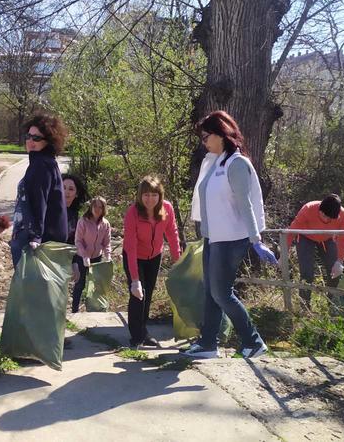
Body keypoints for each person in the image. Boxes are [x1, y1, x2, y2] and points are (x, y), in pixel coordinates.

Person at [184, 110, 276, 359]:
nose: (203, 142)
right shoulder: (214, 163)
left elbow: (245, 204)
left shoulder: (236, 164)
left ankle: (253, 342)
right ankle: (207, 343)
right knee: (210, 292)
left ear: (220, 135)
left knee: (221, 293)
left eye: (206, 137)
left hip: (231, 239)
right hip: (213, 238)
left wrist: (256, 240)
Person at [122, 176, 181, 348]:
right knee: (138, 294)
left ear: (160, 195)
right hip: (134, 256)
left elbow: (172, 235)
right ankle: (136, 336)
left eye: (154, 195)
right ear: (140, 196)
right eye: (146, 195)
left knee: (148, 296)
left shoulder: (167, 208)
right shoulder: (133, 212)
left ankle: (144, 331)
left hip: (154, 256)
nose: (150, 199)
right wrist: (134, 280)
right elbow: (130, 246)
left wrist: (178, 263)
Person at [9, 114, 69, 267]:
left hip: (34, 241)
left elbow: (38, 201)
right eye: (28, 136)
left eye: (36, 138)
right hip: (44, 238)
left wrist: (35, 238)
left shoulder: (40, 165)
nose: (30, 141)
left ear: (48, 142)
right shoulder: (48, 162)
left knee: (29, 289)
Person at [287, 194, 344, 308]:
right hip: (306, 237)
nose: (326, 220)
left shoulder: (343, 215)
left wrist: (340, 260)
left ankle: (332, 304)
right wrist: (284, 253)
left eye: (330, 218)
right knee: (307, 274)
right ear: (319, 209)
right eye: (324, 215)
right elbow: (291, 231)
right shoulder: (308, 209)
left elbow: (343, 238)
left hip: (327, 238)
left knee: (334, 270)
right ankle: (304, 307)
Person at [72, 197, 112, 313]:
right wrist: (84, 256)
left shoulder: (105, 224)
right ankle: (74, 311)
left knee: (95, 286)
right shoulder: (83, 221)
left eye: (100, 207)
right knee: (80, 284)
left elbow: (107, 243)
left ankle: (93, 310)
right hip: (82, 258)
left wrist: (108, 257)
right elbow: (78, 241)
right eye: (95, 206)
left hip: (97, 258)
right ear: (91, 207)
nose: (97, 209)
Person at [62, 173, 88, 282]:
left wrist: (75, 263)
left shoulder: (74, 215)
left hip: (64, 263)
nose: (66, 192)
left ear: (76, 194)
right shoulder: (50, 210)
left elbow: (74, 242)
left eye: (71, 189)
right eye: (63, 187)